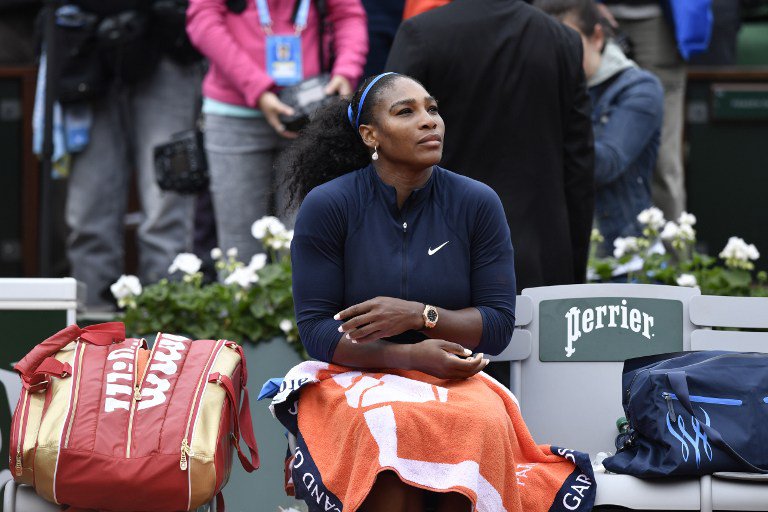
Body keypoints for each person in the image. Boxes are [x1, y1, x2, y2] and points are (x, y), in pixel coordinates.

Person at [279, 72, 594, 512]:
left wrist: (417, 316)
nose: (430, 121)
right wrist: (407, 357)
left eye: (432, 108)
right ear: (371, 135)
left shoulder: (476, 202)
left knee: (478, 422)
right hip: (355, 375)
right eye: (406, 112)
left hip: (452, 378)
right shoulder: (329, 205)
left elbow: (497, 325)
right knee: (383, 429)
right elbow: (316, 330)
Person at [385, 0, 594, 292]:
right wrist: (573, 275)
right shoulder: (562, 39)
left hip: (441, 253)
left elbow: (391, 146)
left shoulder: (422, 34)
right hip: (541, 258)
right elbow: (579, 166)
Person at [186, 0, 368, 262]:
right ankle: (244, 305)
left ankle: (303, 305)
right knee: (239, 245)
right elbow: (203, 20)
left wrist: (346, 71)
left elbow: (348, 14)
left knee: (306, 237)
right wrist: (256, 87)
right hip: (234, 115)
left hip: (309, 113)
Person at [64, 1, 203, 309]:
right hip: (89, 45)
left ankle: (167, 329)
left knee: (166, 209)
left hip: (168, 42)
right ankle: (90, 332)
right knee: (89, 213)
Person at [536, 0, 664, 253]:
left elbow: (605, 164)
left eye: (566, 43)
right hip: (555, 247)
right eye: (546, 46)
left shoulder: (640, 89)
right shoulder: (537, 86)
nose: (555, 55)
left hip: (623, 255)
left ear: (597, 37)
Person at [595, 0, 686, 221]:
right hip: (592, 18)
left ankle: (674, 255)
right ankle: (597, 254)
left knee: (664, 161)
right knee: (596, 146)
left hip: (661, 21)